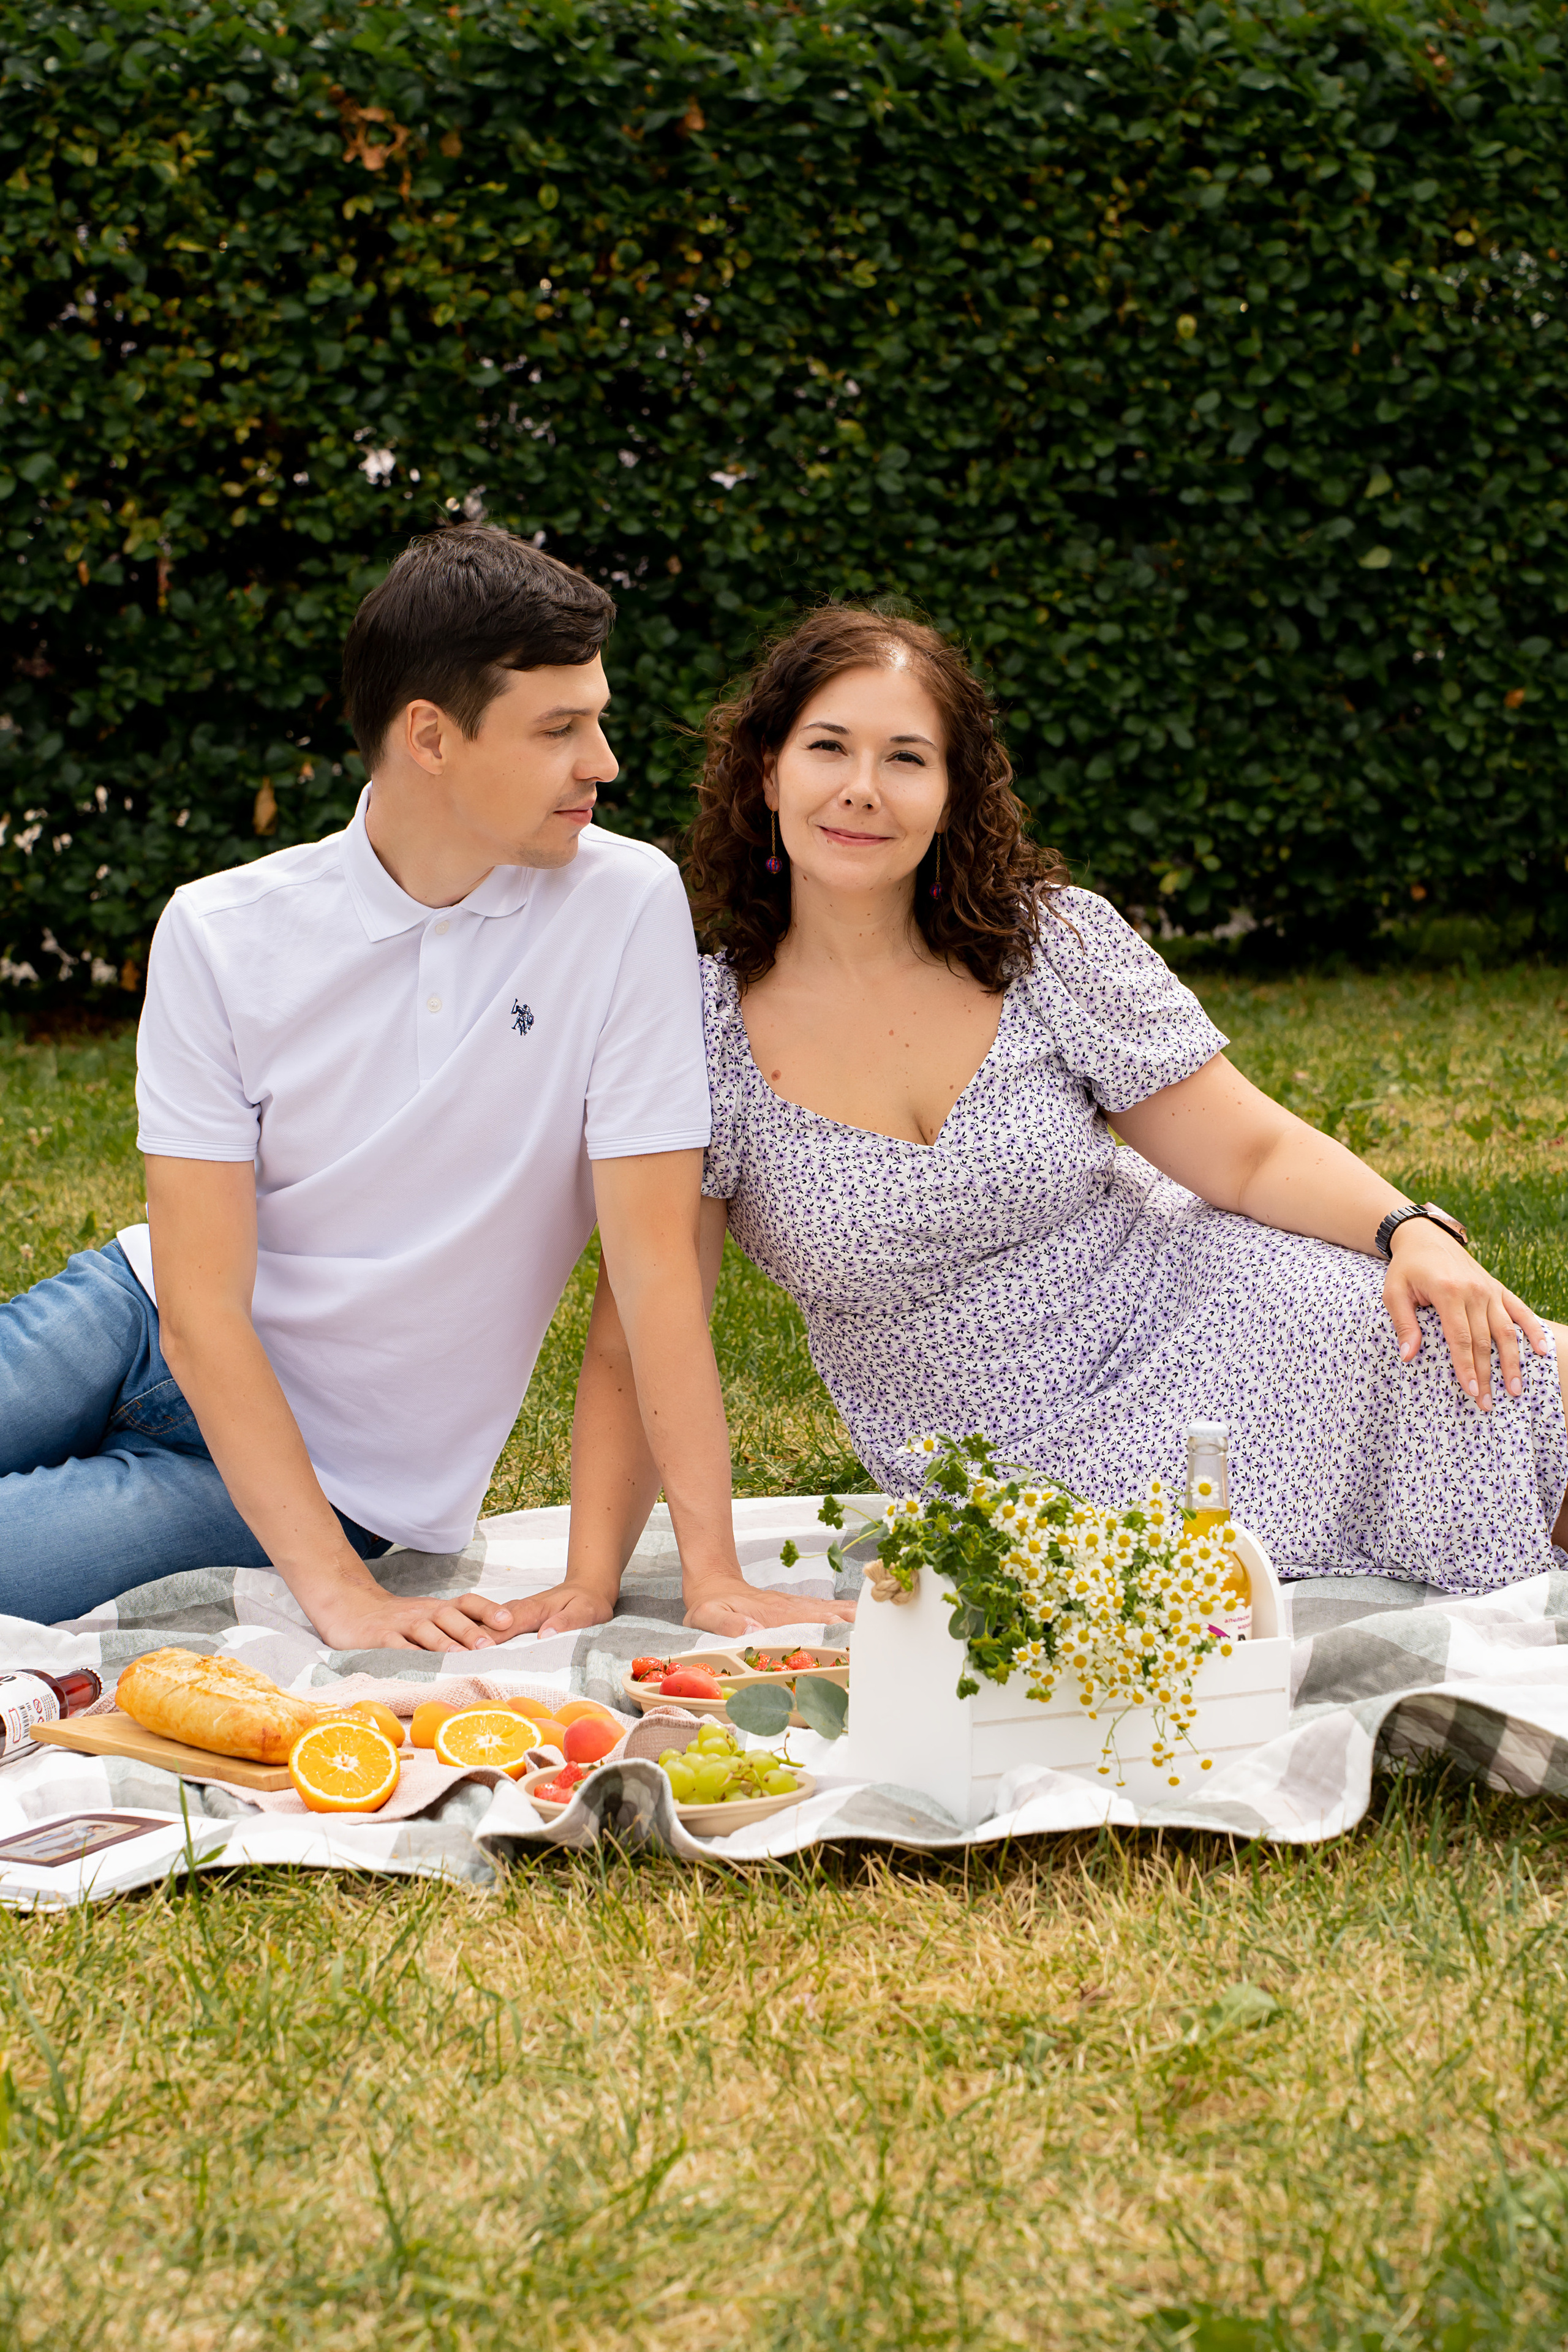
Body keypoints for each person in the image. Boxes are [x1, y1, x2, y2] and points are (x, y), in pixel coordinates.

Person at [576, 605, 1567, 1593]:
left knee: (1475, 1354)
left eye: (907, 758)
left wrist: (1409, 1230)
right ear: (768, 773)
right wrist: (614, 1583)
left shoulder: (1042, 945)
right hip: (1015, 1474)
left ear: (951, 794)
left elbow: (1248, 1154)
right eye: (828, 747)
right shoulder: (702, 1032)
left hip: (1224, 1317)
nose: (862, 789)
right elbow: (646, 1322)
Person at [0, 526, 848, 1646]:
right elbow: (200, 1313)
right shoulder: (220, 931)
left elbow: (653, 1272)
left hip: (339, 1475)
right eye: (559, 729)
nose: (603, 762)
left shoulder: (624, 905)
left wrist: (714, 1575)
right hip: (134, 1316)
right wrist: (343, 1602)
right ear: (431, 737)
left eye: (596, 720)